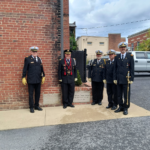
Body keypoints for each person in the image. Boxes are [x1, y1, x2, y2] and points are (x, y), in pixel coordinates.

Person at [22, 46, 45, 113]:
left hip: (38, 79)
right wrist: (23, 77)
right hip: (31, 79)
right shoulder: (28, 59)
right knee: (31, 94)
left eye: (36, 52)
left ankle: (36, 106)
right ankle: (31, 107)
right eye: (33, 52)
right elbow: (25, 69)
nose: (35, 53)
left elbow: (41, 68)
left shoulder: (39, 59)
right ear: (31, 52)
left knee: (38, 93)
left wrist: (43, 75)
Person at [113, 42, 134, 115]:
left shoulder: (130, 56)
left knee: (126, 95)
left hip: (126, 79)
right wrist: (115, 78)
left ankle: (126, 108)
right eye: (121, 48)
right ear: (119, 49)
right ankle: (120, 106)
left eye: (124, 47)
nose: (123, 49)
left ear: (126, 48)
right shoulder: (117, 57)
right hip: (118, 79)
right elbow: (115, 69)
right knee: (119, 94)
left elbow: (132, 69)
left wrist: (132, 79)